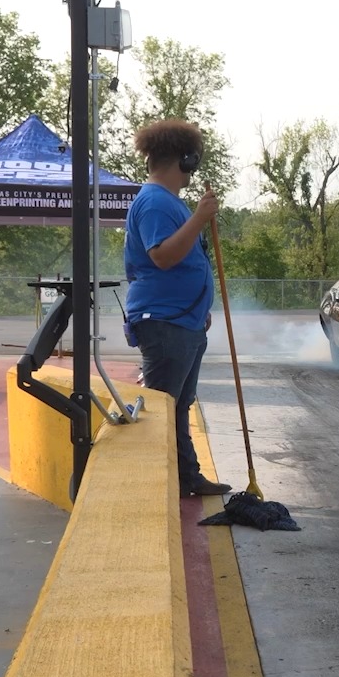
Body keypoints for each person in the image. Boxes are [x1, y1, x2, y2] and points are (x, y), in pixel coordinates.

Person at [125, 119, 232, 500]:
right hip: (166, 323)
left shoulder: (167, 201)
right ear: (186, 160)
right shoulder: (155, 201)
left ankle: (187, 477)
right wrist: (201, 218)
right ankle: (152, 485)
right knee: (162, 408)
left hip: (182, 322)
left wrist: (197, 308)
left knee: (177, 406)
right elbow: (164, 256)